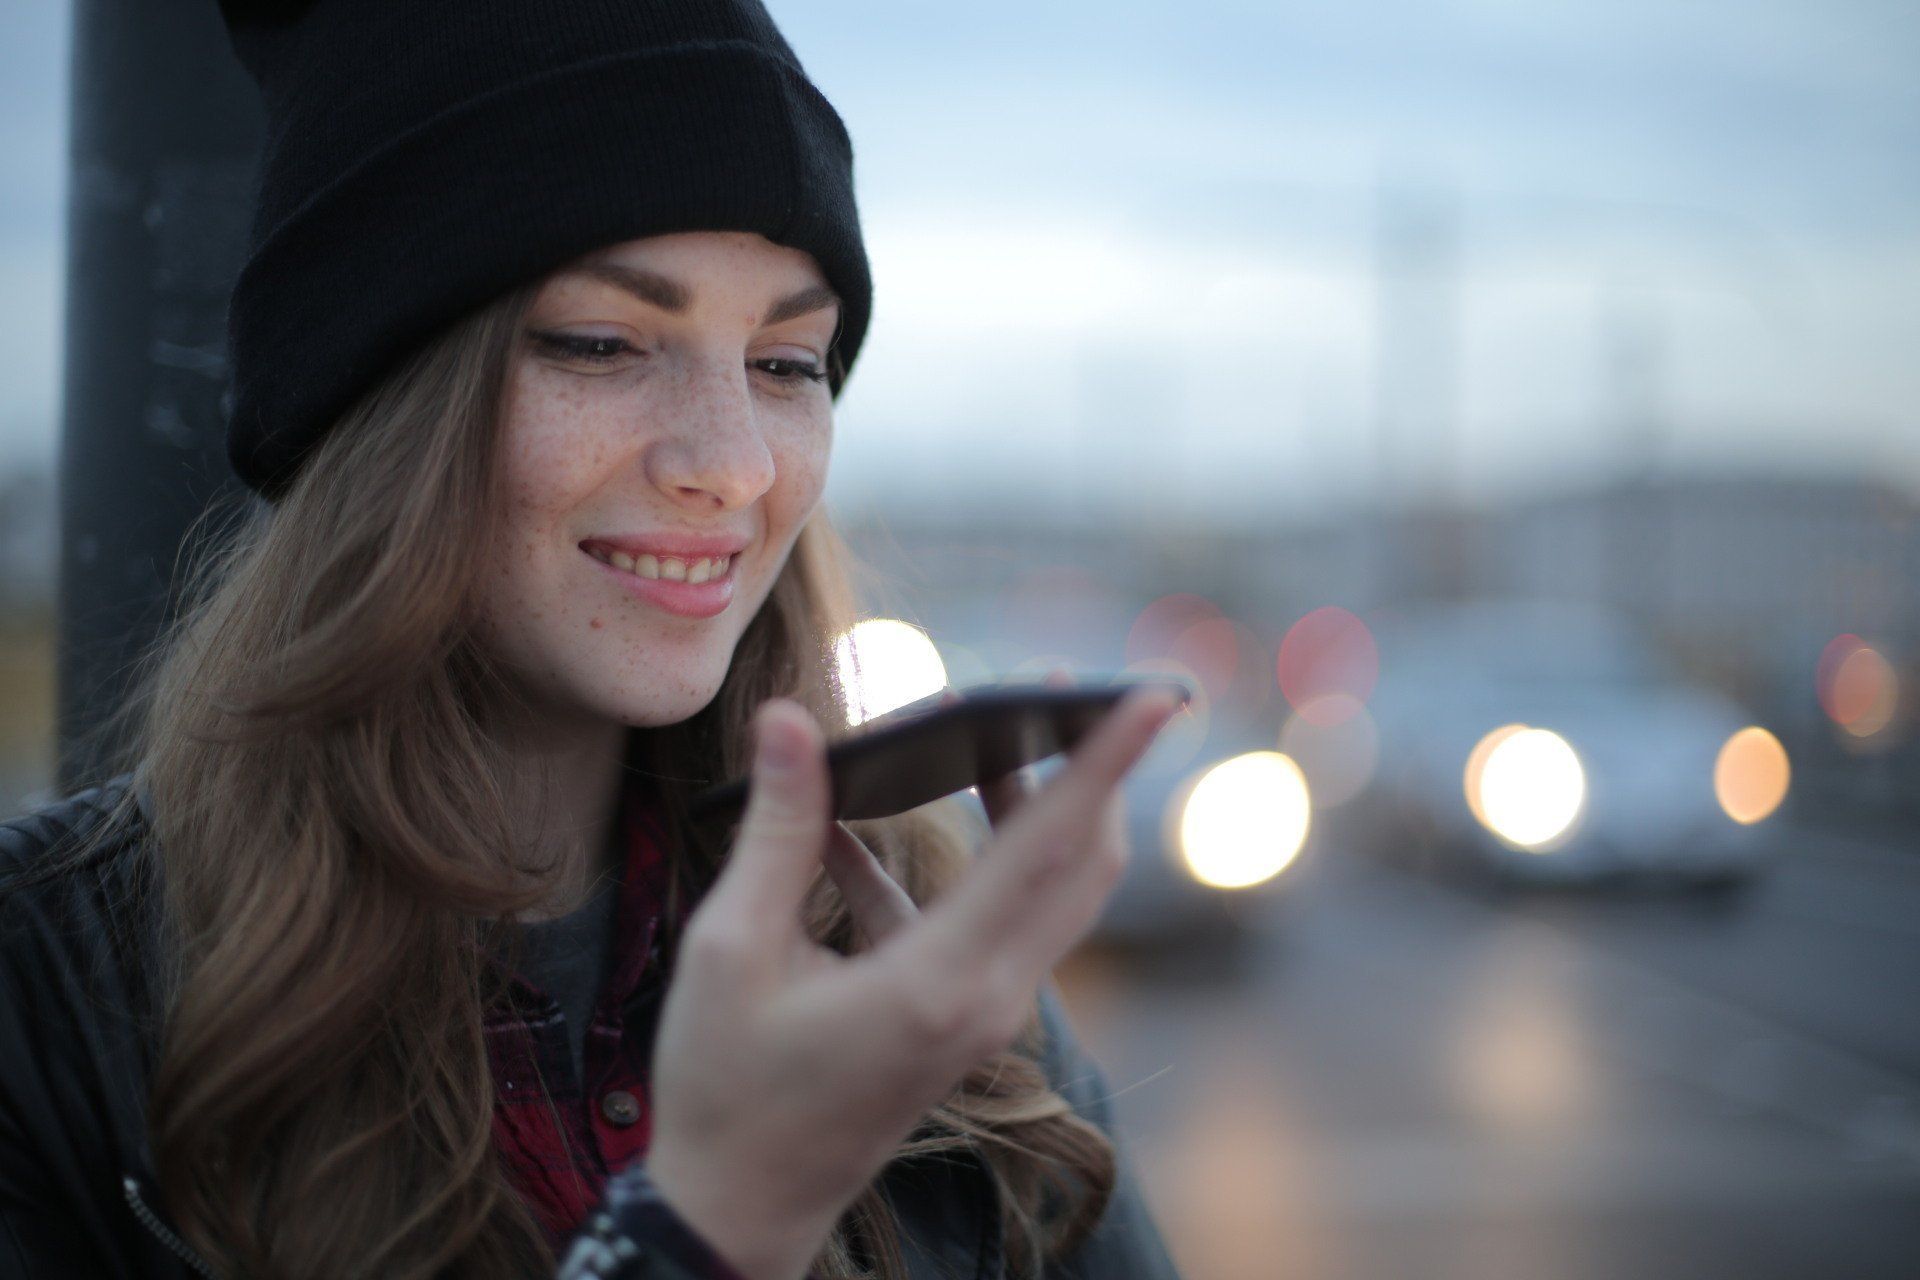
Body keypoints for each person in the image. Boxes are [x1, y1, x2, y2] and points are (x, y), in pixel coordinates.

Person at [0, 1, 1189, 1278]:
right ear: (378, 403)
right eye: (603, 343)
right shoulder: (43, 995)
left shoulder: (905, 953)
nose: (732, 463)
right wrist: (725, 1216)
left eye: (789, 363)